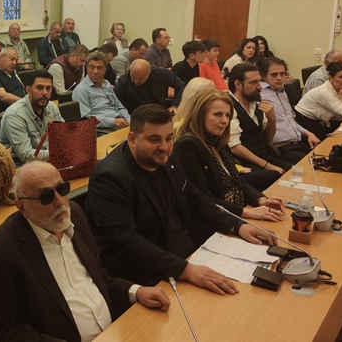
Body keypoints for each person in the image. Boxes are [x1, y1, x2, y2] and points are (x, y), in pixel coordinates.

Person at [85, 104, 275, 291]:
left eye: (169, 138)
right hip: (149, 274)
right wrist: (186, 270)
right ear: (132, 139)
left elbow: (195, 200)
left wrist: (237, 225)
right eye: (154, 139)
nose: (164, 147)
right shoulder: (110, 178)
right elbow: (127, 241)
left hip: (188, 255)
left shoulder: (168, 157)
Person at [0, 161, 170, 342]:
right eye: (46, 196)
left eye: (62, 189)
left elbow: (99, 278)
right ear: (22, 207)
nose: (60, 202)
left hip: (116, 332)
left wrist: (136, 291)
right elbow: (11, 333)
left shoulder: (74, 214)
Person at [173, 89, 286, 221]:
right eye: (218, 114)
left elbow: (237, 180)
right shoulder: (188, 146)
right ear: (200, 115)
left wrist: (260, 200)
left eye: (227, 115)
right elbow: (203, 199)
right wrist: (246, 212)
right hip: (213, 220)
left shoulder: (217, 141)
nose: (224, 121)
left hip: (232, 211)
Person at [227, 63, 292, 176]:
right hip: (246, 166)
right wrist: (268, 166)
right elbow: (234, 147)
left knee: (297, 170)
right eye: (253, 82)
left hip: (266, 157)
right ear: (237, 84)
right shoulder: (228, 106)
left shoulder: (255, 102)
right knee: (276, 175)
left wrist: (272, 119)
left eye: (259, 81)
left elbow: (267, 140)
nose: (259, 87)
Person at [258, 58, 321, 164]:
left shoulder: (281, 91)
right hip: (280, 148)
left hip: (298, 143)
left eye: (282, 74)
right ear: (263, 76)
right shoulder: (259, 94)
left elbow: (290, 120)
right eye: (274, 74)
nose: (279, 78)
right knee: (313, 165)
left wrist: (308, 133)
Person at [0, 70, 63, 164]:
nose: (45, 93)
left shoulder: (52, 107)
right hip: (21, 166)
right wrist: (61, 152)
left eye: (48, 88)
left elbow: (63, 137)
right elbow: (26, 156)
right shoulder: (14, 115)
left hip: (50, 161)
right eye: (39, 88)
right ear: (28, 90)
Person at [295, 62, 342, 139]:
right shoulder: (324, 92)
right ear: (330, 78)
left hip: (320, 122)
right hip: (305, 123)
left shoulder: (340, 88)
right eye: (341, 77)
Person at [73, 51, 130, 131]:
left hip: (119, 123)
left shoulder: (106, 84)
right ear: (87, 68)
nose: (95, 71)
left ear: (105, 70)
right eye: (92, 67)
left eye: (99, 68)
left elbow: (120, 107)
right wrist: (112, 122)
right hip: (103, 129)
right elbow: (86, 119)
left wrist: (129, 120)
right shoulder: (81, 90)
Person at [115, 59, 184, 114]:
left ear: (149, 73)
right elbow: (116, 103)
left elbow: (180, 85)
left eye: (140, 79)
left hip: (160, 111)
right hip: (136, 115)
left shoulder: (161, 73)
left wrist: (175, 105)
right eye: (133, 77)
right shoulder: (122, 82)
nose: (136, 81)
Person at [0, 47, 26, 112]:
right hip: (11, 112)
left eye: (16, 60)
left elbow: (23, 89)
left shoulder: (13, 72)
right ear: (1, 57)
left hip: (24, 107)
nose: (14, 63)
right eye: (12, 59)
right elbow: (2, 96)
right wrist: (26, 102)